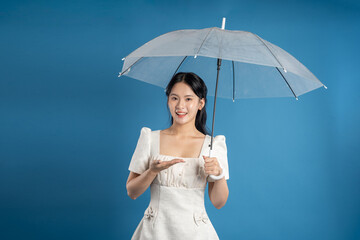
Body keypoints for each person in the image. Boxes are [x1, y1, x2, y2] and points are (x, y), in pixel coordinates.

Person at [126, 72, 229, 240]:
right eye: (174, 98)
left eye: (188, 99)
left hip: (197, 234)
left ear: (200, 103)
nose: (180, 105)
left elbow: (218, 203)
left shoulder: (213, 145)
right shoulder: (150, 138)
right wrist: (151, 172)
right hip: (154, 233)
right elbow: (132, 192)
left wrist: (219, 174)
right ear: (168, 100)